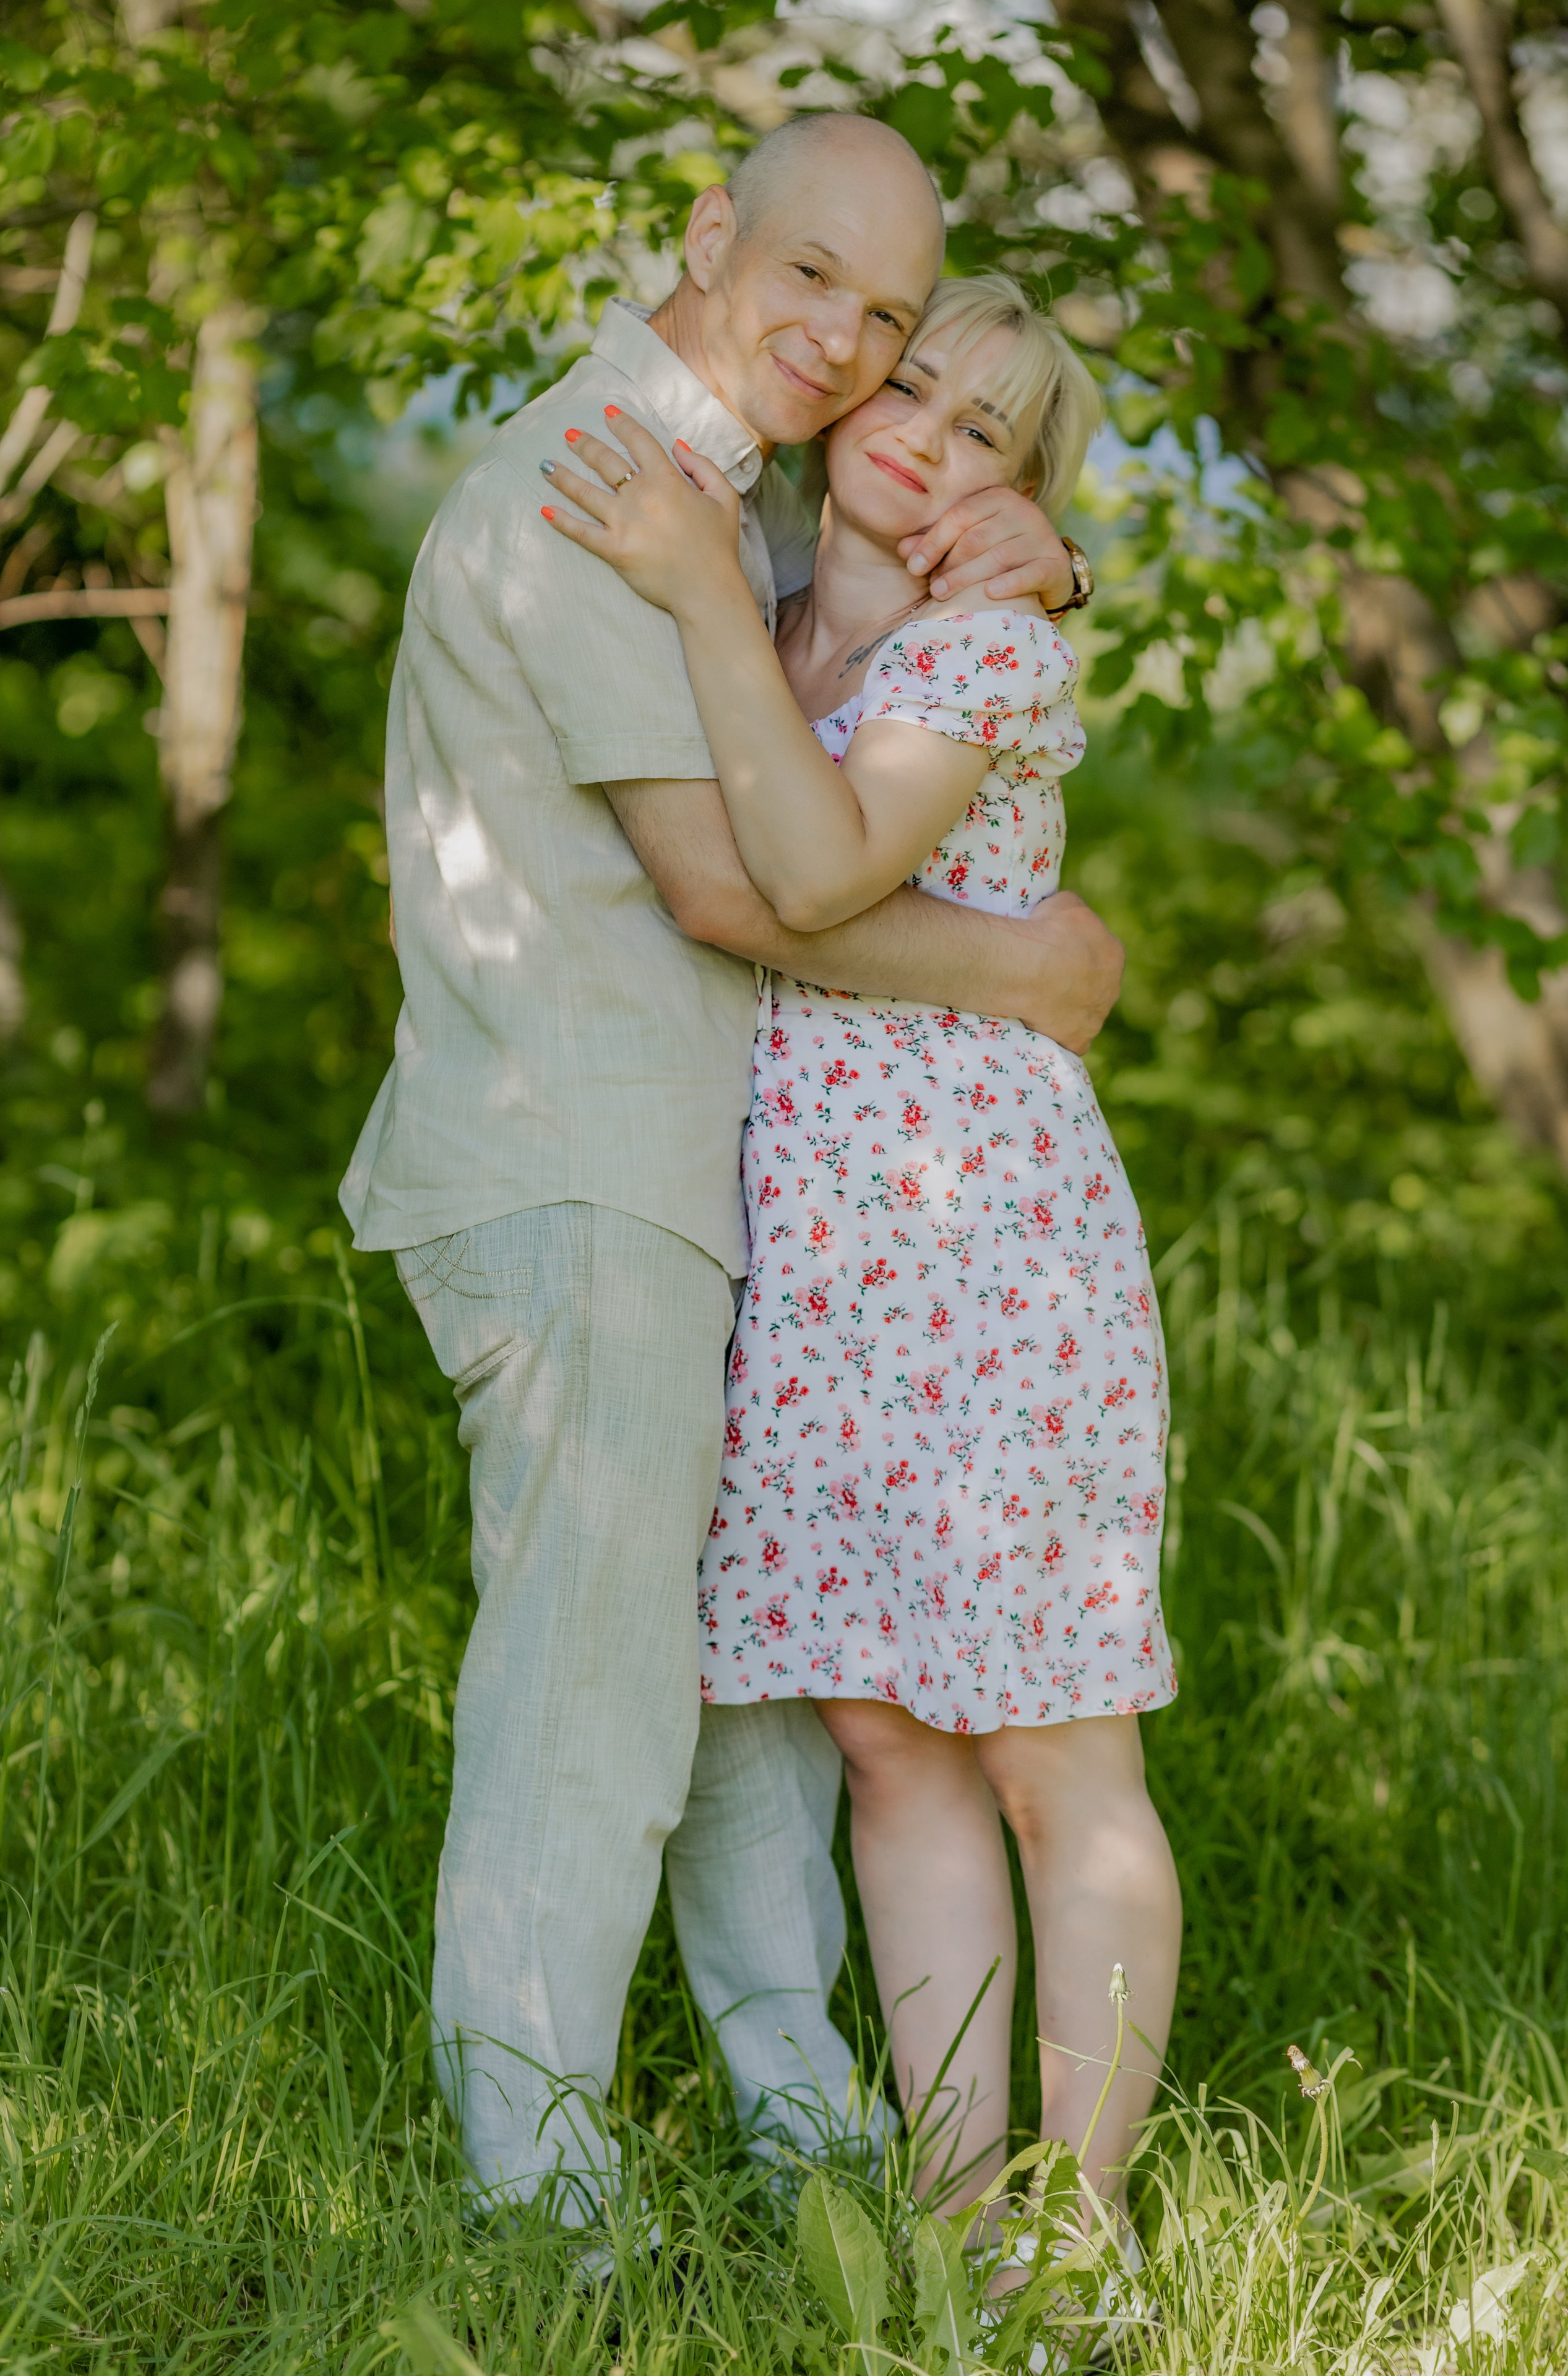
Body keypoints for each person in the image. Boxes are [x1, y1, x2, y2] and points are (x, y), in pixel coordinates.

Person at [340, 112, 1127, 2215]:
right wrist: (1031, 965)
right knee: (592, 1701)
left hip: (731, 1194)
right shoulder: (599, 492)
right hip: (578, 1157)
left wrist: (1044, 549)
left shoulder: (748, 481)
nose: (852, 350)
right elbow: (731, 882)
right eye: (816, 287)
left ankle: (812, 2135)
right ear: (709, 238)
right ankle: (544, 2206)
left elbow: (885, 632)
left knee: (766, 1701)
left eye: (887, 318)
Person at [541, 270, 1180, 2222]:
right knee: (894, 1751)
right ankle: (962, 2222)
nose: (929, 433)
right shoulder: (791, 612)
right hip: (827, 1275)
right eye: (910, 384)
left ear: (1023, 494)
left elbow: (815, 872)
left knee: (1056, 1759)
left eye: (989, 429)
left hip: (993, 1257)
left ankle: (1076, 2248)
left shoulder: (982, 658)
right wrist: (716, 581)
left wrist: (715, 587)